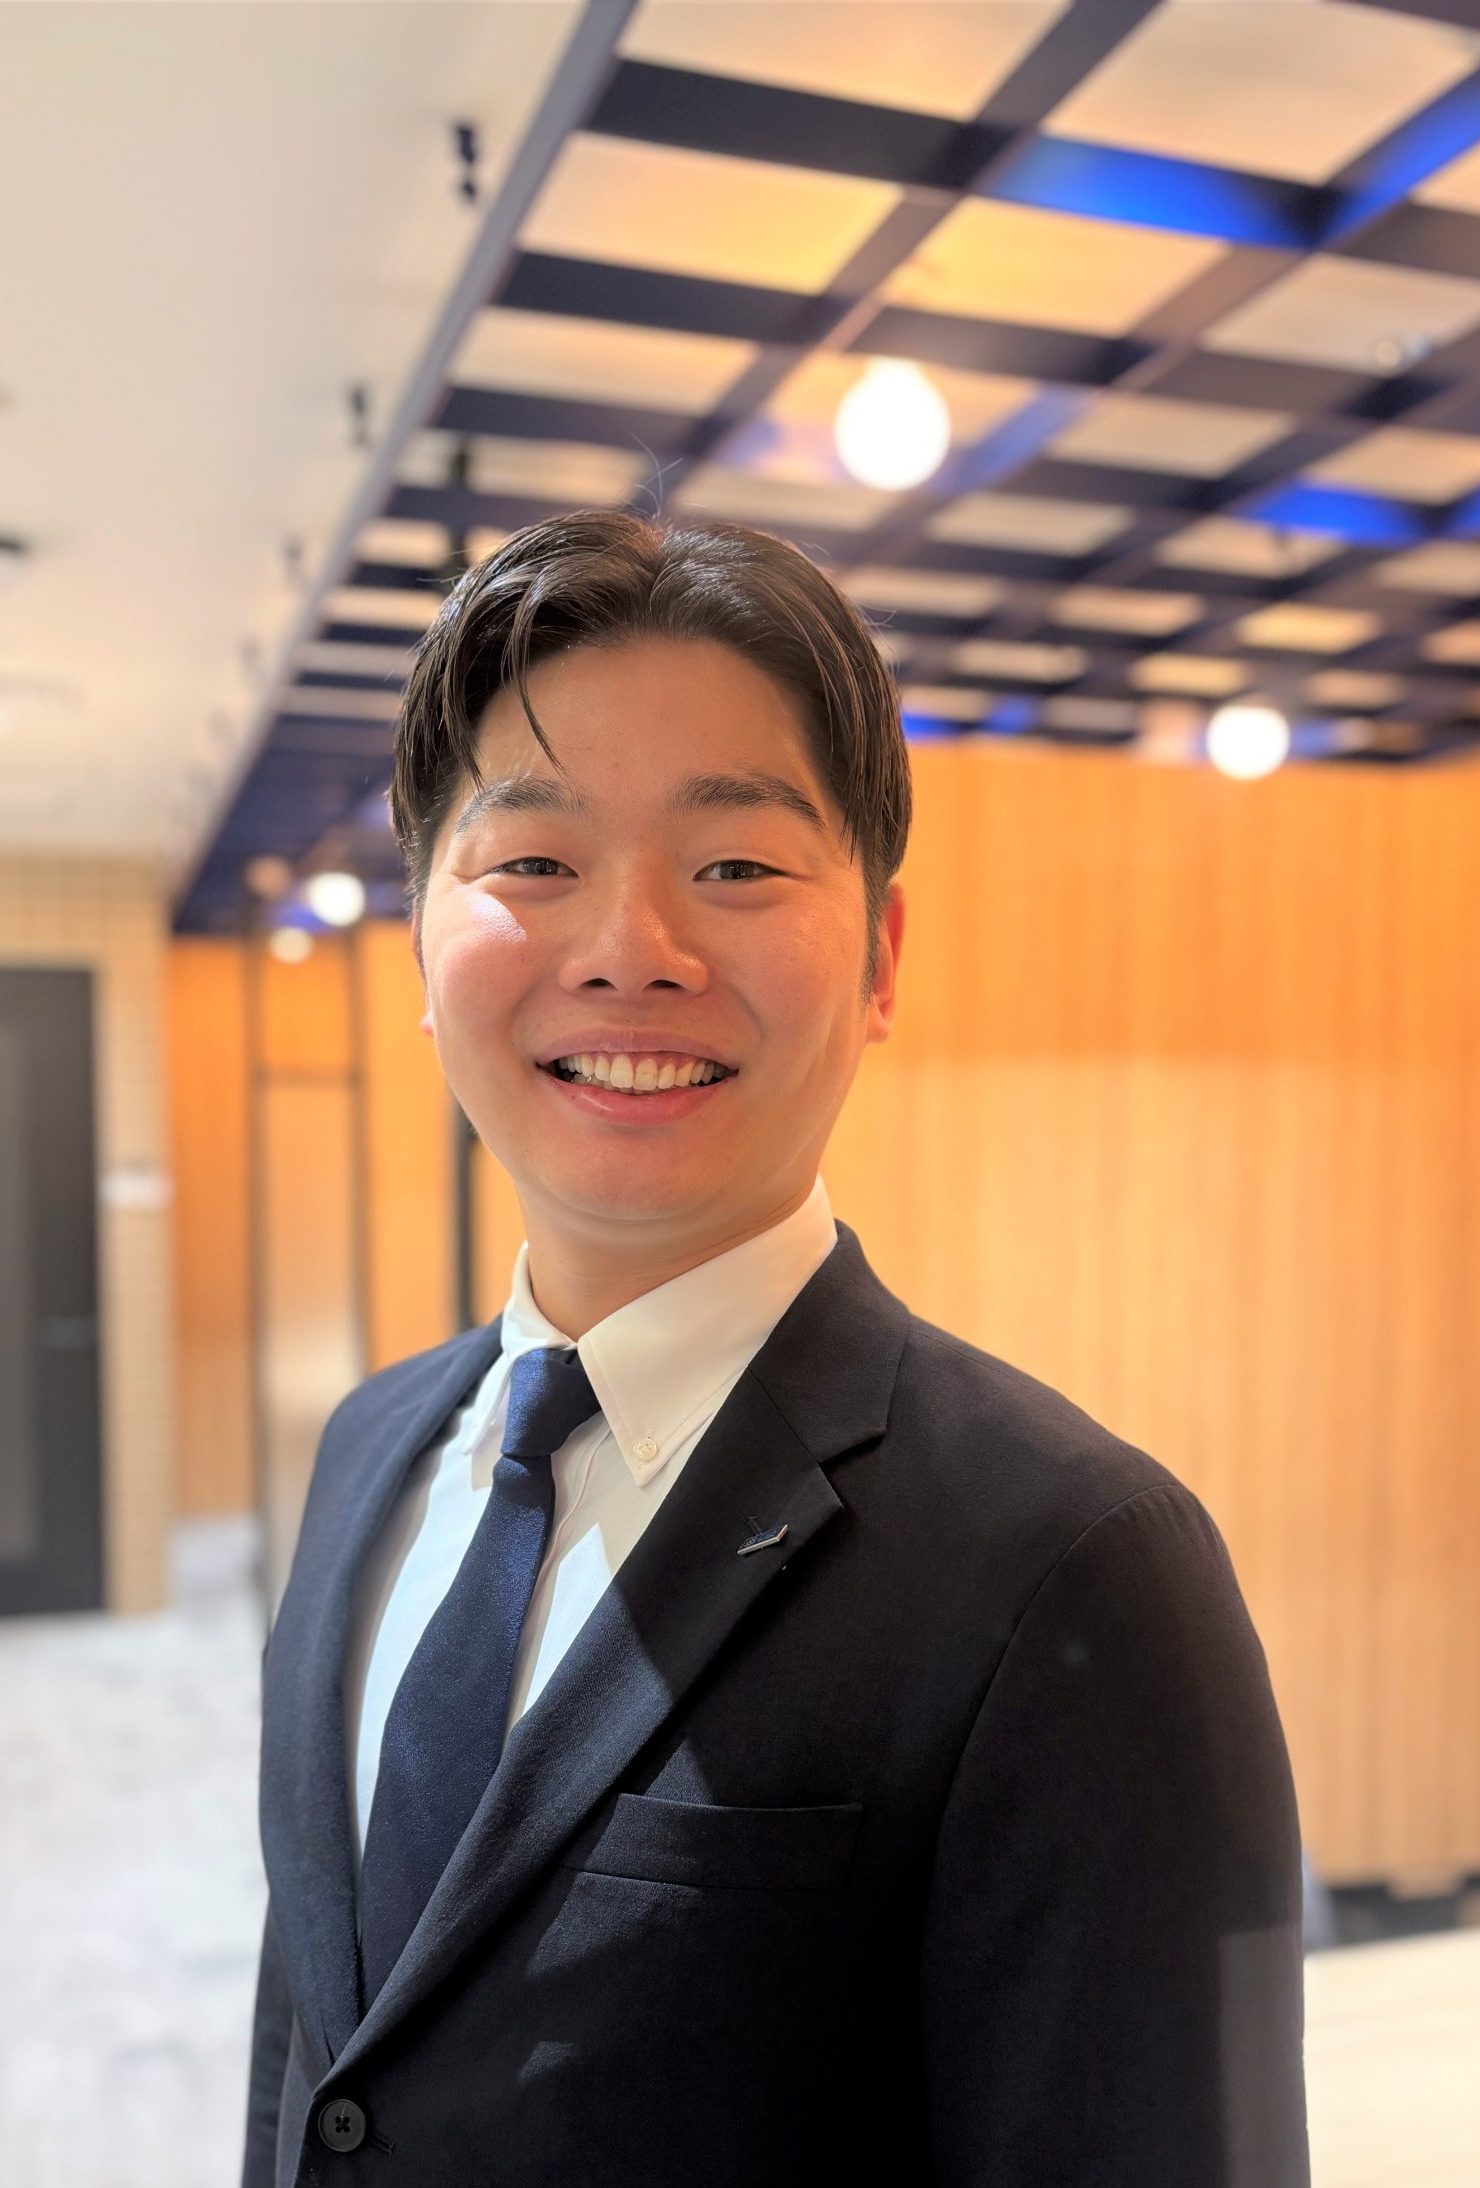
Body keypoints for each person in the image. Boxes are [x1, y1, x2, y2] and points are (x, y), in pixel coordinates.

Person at [243, 510, 1308, 2187]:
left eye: (735, 867)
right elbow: (320, 2062)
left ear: (880, 957)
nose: (630, 949)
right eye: (532, 864)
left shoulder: (1079, 1566)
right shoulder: (369, 1449)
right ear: (425, 946)